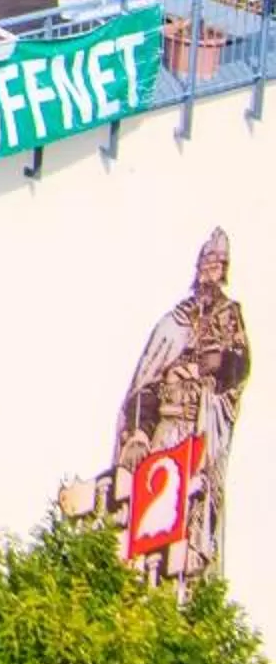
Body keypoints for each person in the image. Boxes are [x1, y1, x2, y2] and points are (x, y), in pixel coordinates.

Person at [111, 228, 251, 584]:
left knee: (196, 507)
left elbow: (238, 365)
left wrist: (220, 366)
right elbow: (145, 384)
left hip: (199, 427)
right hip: (166, 431)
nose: (211, 270)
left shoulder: (230, 316)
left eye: (217, 264)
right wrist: (139, 434)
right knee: (153, 510)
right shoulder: (174, 320)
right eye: (207, 262)